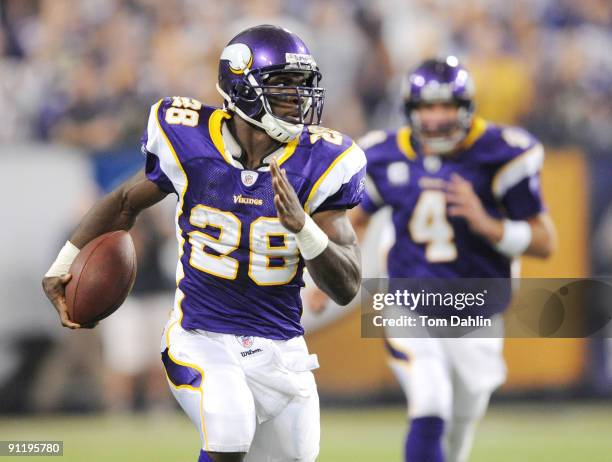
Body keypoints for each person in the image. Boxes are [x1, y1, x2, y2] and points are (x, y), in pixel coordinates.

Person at [42, 24, 366, 462]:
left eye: (302, 85)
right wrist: (64, 264)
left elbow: (347, 286)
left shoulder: (323, 162)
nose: (298, 98)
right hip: (201, 335)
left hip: (281, 348)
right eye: (283, 85)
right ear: (242, 88)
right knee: (229, 432)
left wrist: (304, 229)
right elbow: (123, 202)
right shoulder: (191, 141)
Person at [309, 56, 556, 462]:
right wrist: (330, 273)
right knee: (430, 401)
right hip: (410, 305)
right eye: (427, 107)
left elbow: (546, 242)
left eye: (446, 106)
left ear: (466, 108)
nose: (437, 118)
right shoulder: (386, 154)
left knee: (459, 430)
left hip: (475, 313)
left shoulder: (502, 152)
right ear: (411, 110)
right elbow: (357, 220)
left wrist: (488, 224)